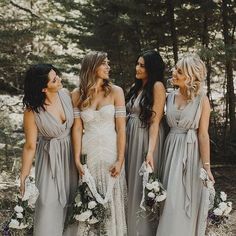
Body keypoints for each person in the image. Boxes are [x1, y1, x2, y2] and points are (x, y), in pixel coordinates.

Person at [156, 54, 215, 236]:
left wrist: (207, 168)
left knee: (183, 199)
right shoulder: (169, 96)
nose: (174, 72)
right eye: (175, 68)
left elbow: (203, 135)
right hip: (170, 149)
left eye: (179, 71)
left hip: (191, 153)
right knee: (170, 198)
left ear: (190, 76)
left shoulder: (202, 100)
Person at [72, 51, 127, 235]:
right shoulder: (77, 94)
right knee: (89, 197)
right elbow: (78, 129)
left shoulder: (116, 92)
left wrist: (120, 159)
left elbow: (121, 129)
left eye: (108, 63)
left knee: (111, 199)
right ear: (92, 67)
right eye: (104, 63)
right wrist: (77, 159)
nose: (108, 67)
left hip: (111, 151)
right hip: (89, 152)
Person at [20, 64, 78, 236]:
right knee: (47, 204)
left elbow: (78, 127)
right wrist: (23, 176)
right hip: (49, 159)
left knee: (74, 203)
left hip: (70, 155)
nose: (59, 79)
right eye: (54, 79)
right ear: (44, 88)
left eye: (57, 75)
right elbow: (30, 146)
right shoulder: (32, 111)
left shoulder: (66, 95)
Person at [125, 49, 166, 236]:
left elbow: (155, 122)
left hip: (145, 138)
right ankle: (130, 227)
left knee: (142, 182)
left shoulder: (157, 86)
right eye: (137, 63)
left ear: (151, 68)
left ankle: (143, 230)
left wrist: (150, 151)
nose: (138, 68)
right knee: (130, 180)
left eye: (142, 65)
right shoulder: (137, 87)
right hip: (131, 138)